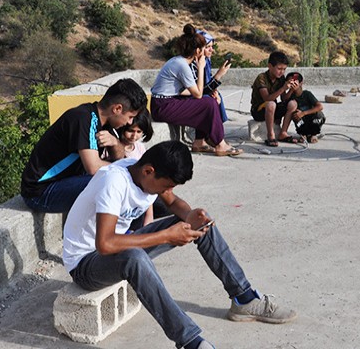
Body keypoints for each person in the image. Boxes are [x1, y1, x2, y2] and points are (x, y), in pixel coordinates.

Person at [63, 141, 297, 349]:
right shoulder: (113, 181)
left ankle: (244, 299)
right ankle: (189, 341)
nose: (167, 191)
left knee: (200, 225)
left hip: (115, 251)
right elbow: (105, 244)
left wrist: (191, 214)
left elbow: (173, 202)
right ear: (148, 171)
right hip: (86, 264)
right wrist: (166, 236)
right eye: (166, 186)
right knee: (133, 257)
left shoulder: (144, 173)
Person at [21, 78, 148, 213]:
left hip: (67, 182)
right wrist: (130, 169)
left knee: (126, 184)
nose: (130, 122)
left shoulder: (105, 124)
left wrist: (115, 143)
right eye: (130, 116)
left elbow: (119, 157)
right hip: (41, 191)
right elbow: (93, 167)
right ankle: (117, 232)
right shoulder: (83, 119)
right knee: (109, 182)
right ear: (117, 109)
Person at [151, 24, 242, 157]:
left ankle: (199, 142)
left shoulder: (179, 61)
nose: (209, 51)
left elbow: (192, 92)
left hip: (166, 102)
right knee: (208, 103)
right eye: (206, 48)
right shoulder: (182, 65)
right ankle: (220, 144)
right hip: (163, 107)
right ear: (198, 51)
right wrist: (201, 67)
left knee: (208, 100)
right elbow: (198, 94)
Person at [250, 51, 303, 147]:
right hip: (259, 110)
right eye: (279, 69)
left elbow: (284, 99)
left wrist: (291, 90)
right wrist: (283, 88)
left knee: (293, 104)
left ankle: (283, 133)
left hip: (272, 109)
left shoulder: (281, 78)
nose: (282, 72)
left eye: (284, 69)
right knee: (271, 104)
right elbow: (267, 98)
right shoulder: (261, 78)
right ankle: (270, 135)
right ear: (270, 66)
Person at [192, 29, 230, 123]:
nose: (211, 50)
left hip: (200, 93)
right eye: (208, 47)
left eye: (212, 46)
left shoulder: (206, 61)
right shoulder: (193, 64)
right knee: (210, 100)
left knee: (216, 95)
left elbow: (207, 83)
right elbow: (201, 90)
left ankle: (217, 131)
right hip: (189, 97)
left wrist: (214, 91)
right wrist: (218, 75)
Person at [286, 72, 326, 143]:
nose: (293, 84)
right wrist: (290, 90)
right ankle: (303, 134)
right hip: (302, 120)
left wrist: (304, 113)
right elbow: (284, 99)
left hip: (311, 118)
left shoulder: (307, 94)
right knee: (295, 115)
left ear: (300, 83)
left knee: (319, 114)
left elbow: (320, 106)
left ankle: (313, 134)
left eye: (295, 82)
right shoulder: (291, 96)